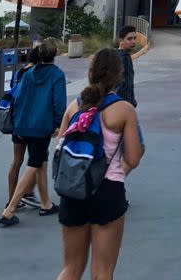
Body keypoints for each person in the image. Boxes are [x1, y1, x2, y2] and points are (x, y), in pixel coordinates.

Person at [56, 48, 144, 280]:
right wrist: (118, 171)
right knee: (102, 272)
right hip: (107, 190)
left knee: (71, 268)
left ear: (91, 72)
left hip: (73, 190)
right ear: (119, 74)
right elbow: (133, 157)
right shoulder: (124, 110)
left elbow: (60, 147)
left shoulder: (74, 107)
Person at [0, 38, 67, 224]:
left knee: (40, 161)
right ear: (55, 55)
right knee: (35, 162)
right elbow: (59, 103)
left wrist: (18, 123)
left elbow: (19, 99)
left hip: (24, 124)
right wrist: (58, 124)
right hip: (41, 125)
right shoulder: (57, 75)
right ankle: (10, 209)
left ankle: (45, 203)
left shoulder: (28, 74)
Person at [8, 46, 41, 209]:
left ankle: (12, 198)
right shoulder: (35, 74)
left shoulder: (19, 73)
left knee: (17, 161)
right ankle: (28, 192)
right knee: (38, 158)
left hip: (16, 121)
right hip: (31, 122)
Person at [116, 26, 137, 107]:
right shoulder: (125, 57)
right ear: (121, 40)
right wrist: (131, 103)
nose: (133, 41)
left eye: (135, 38)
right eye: (129, 39)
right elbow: (127, 84)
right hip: (124, 104)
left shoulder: (115, 55)